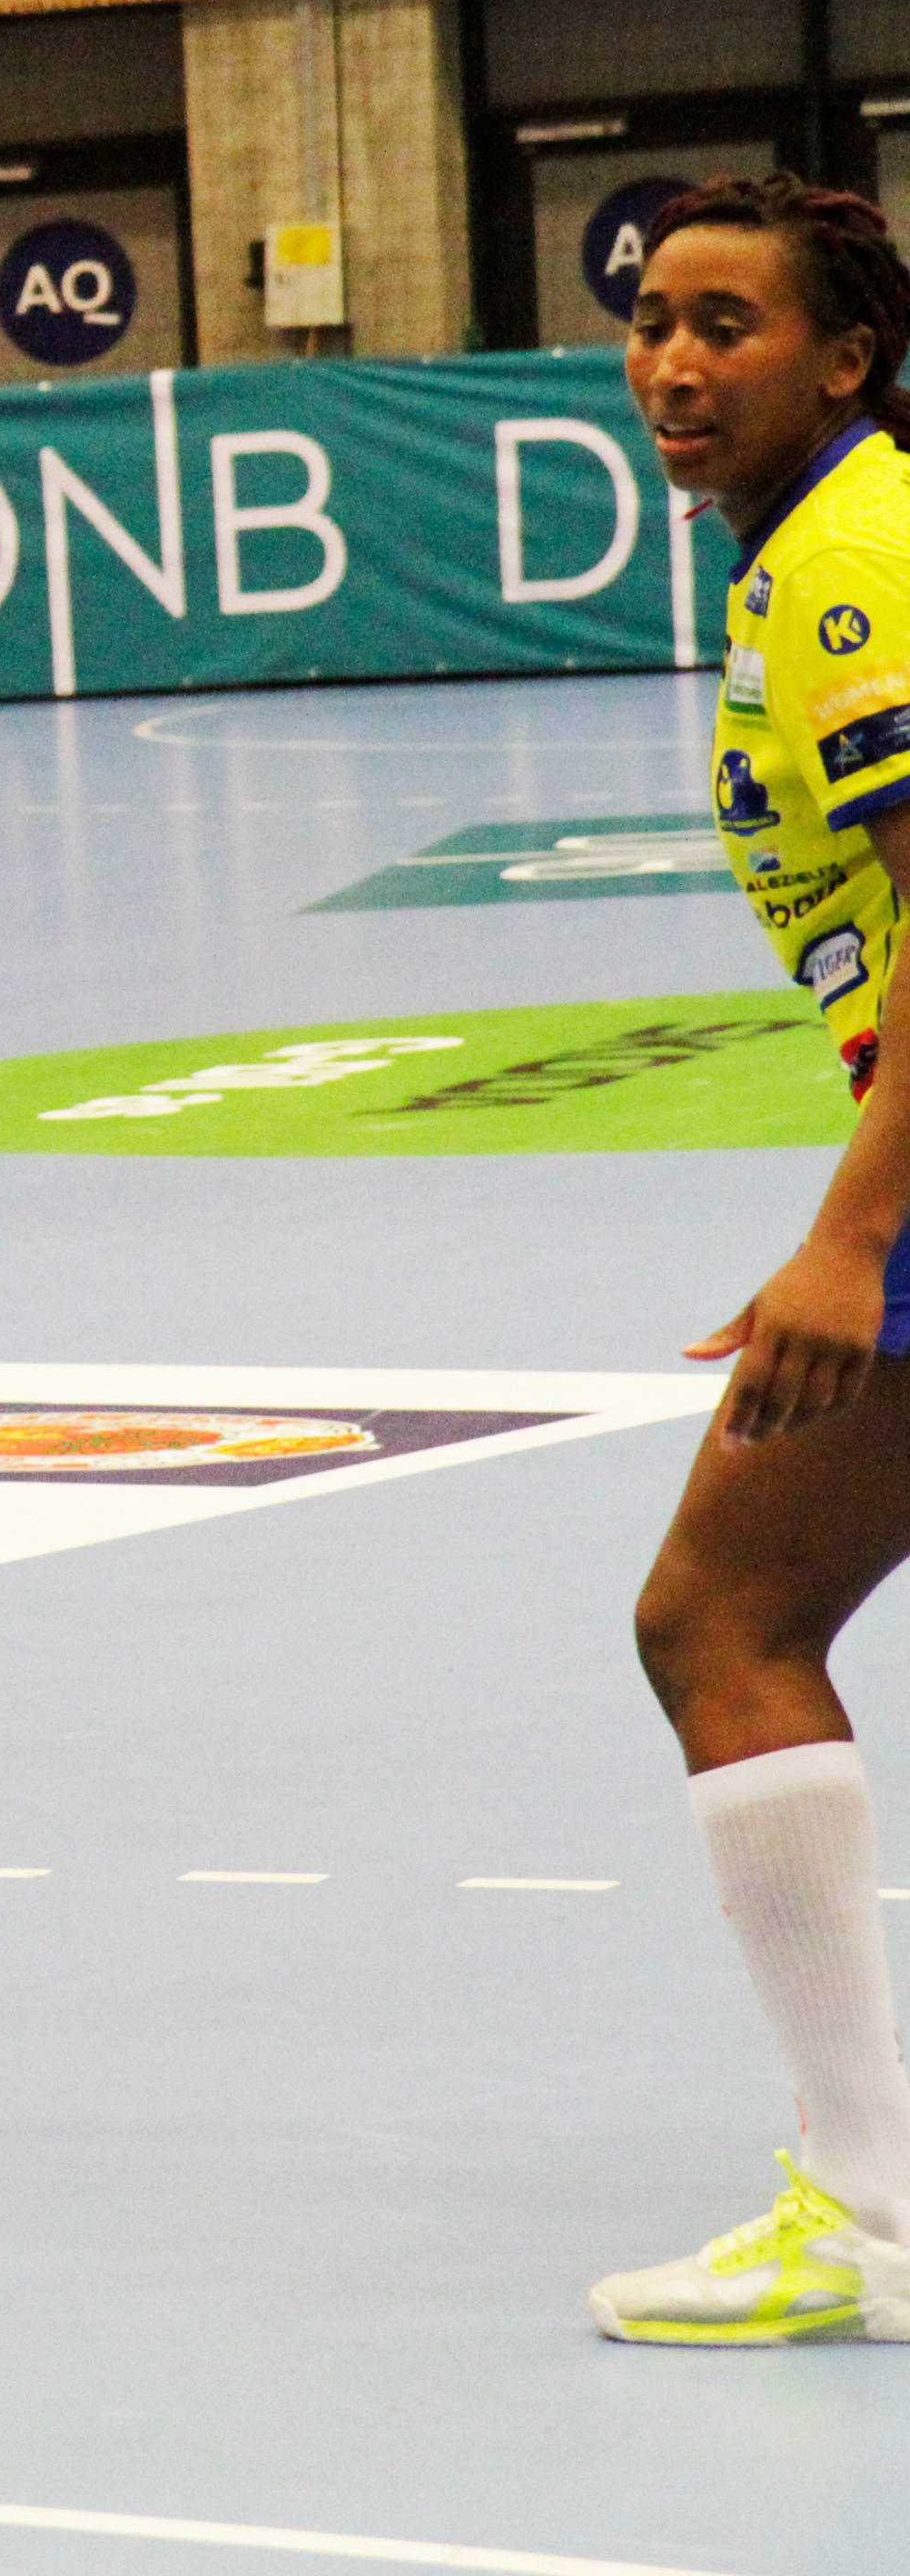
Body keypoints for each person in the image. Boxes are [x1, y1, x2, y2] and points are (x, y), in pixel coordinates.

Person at [588, 177, 910, 2341]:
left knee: (721, 1614)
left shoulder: (853, 562)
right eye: (651, 321)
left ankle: (869, 2209)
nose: (674, 363)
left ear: (845, 358)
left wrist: (849, 1237)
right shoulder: (815, 547)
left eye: (727, 324)